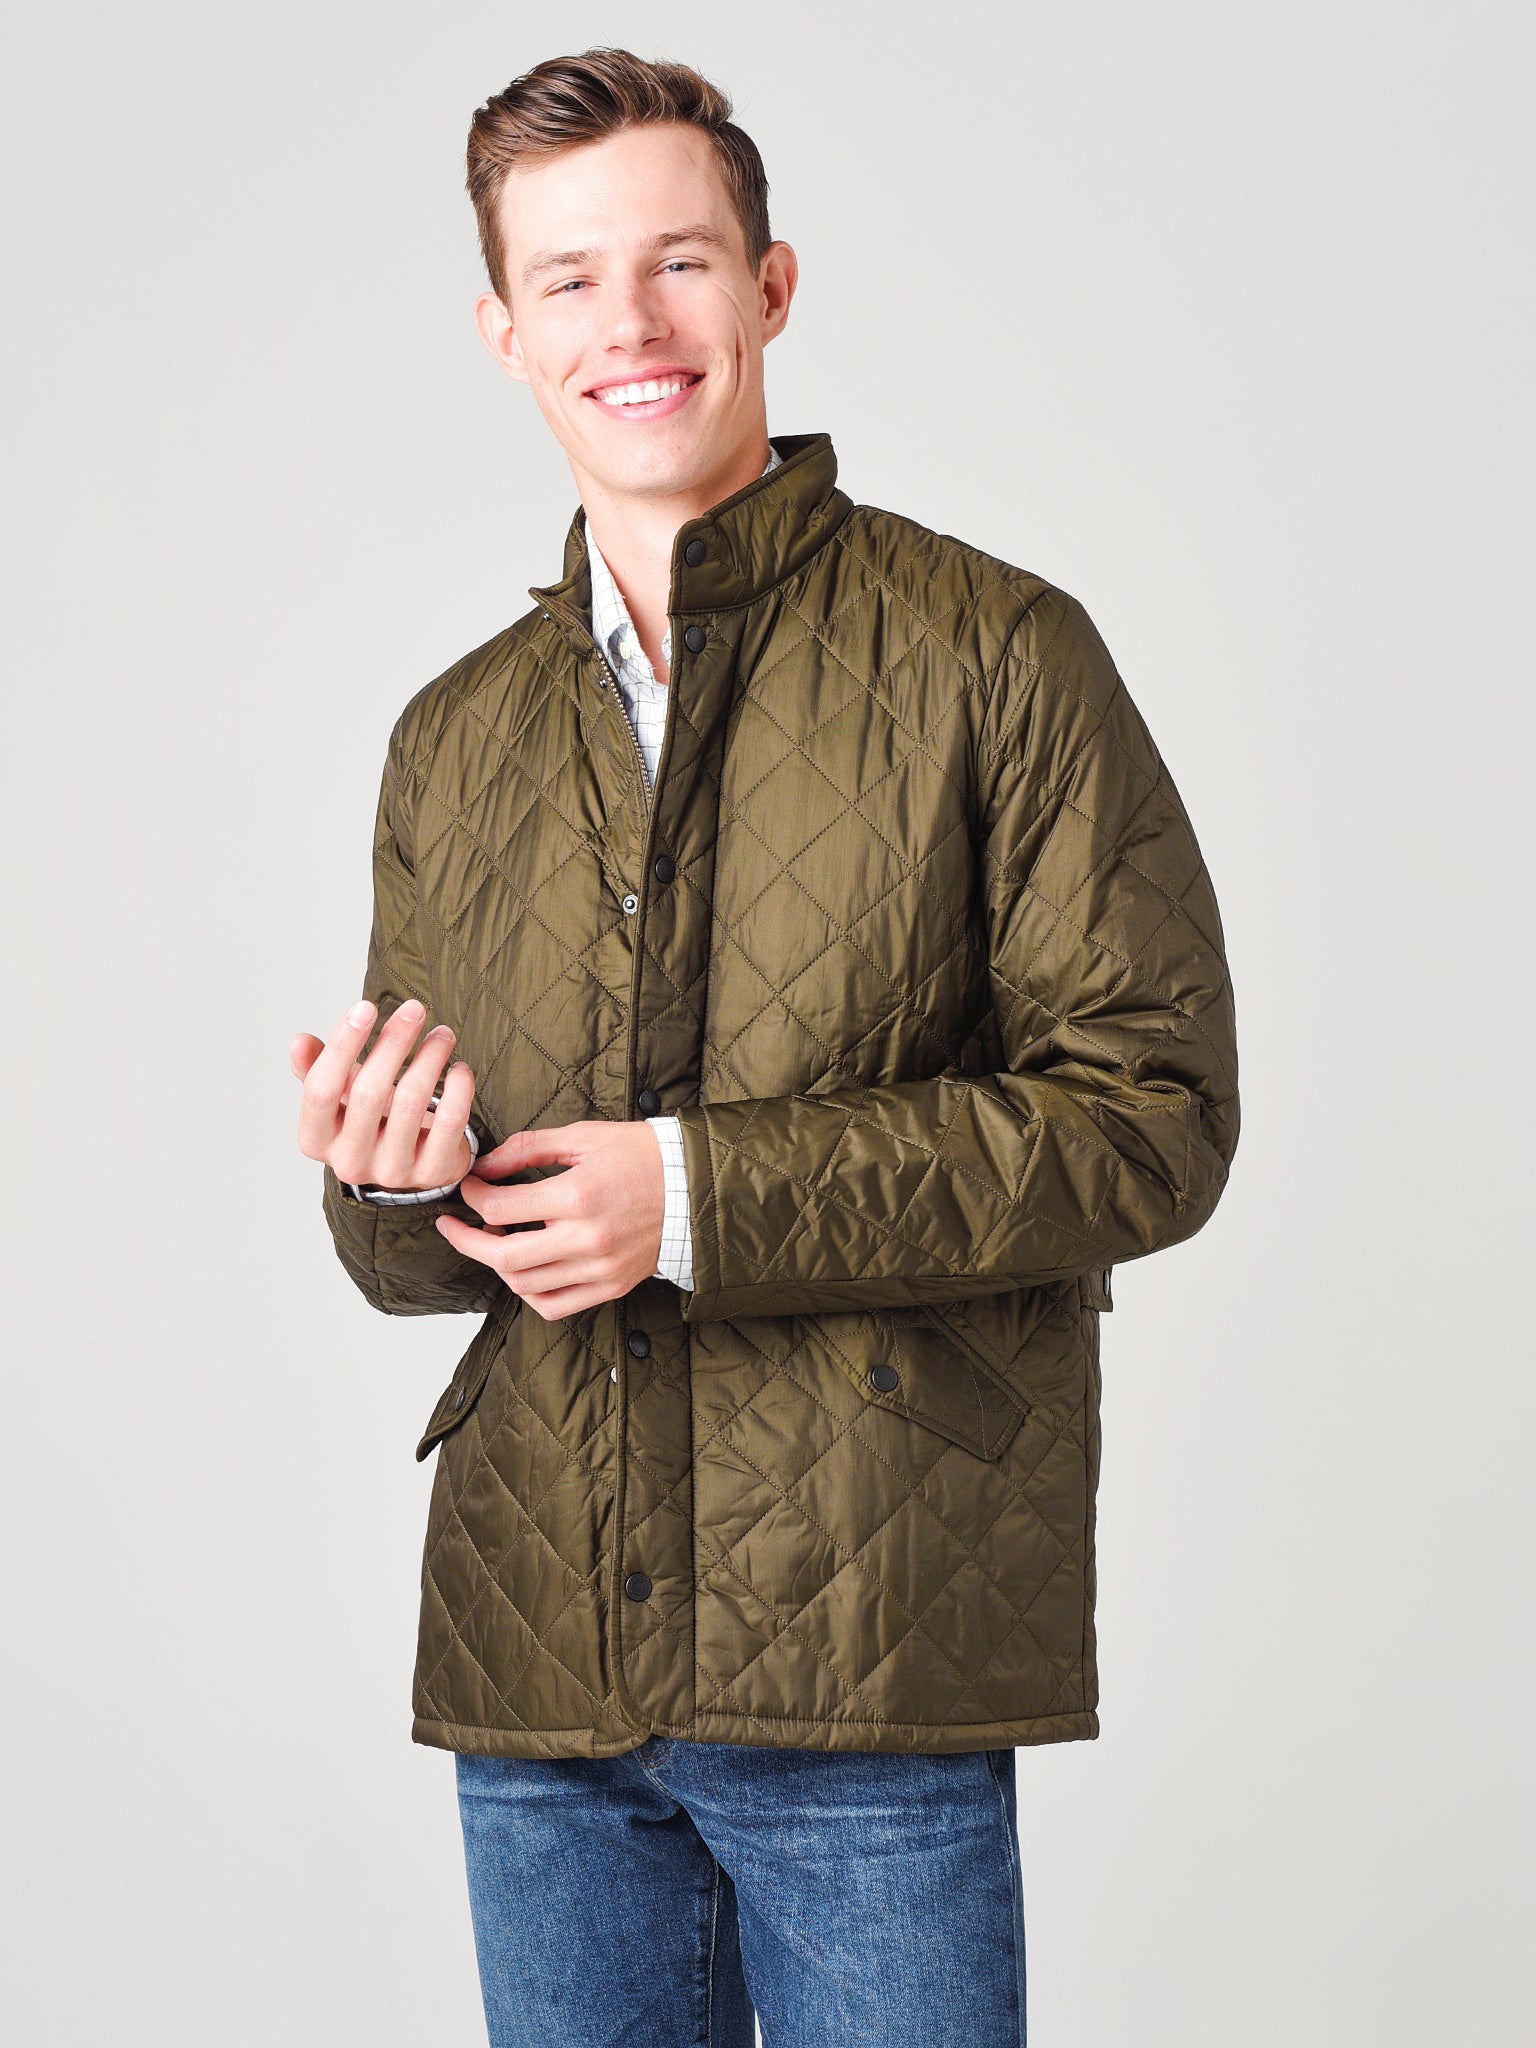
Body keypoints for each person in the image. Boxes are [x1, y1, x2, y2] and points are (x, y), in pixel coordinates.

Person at [289, 46, 1240, 2048]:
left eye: (679, 262)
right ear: (504, 330)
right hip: (540, 1667)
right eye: (568, 279)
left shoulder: (998, 651)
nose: (628, 324)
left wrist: (695, 1194)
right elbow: (416, 1257)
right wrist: (387, 1182)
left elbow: (1151, 1116)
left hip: (867, 1653)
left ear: (771, 286)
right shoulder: (451, 739)